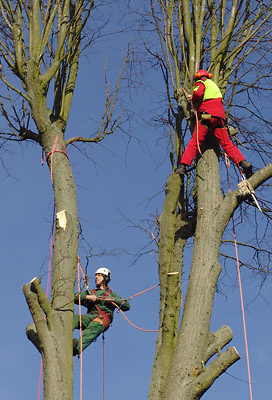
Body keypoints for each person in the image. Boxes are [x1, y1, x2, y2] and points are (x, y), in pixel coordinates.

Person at [176, 70, 253, 178]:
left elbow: (198, 93)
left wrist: (193, 98)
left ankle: (182, 166)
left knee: (195, 141)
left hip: (207, 116)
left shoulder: (201, 82)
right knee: (227, 143)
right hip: (220, 118)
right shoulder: (213, 85)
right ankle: (243, 163)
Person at [73, 267, 130, 356]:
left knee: (95, 325)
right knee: (73, 318)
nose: (96, 277)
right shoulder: (90, 292)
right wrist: (88, 297)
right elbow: (73, 297)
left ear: (105, 278)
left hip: (102, 319)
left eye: (99, 275)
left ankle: (77, 348)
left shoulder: (111, 294)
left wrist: (111, 299)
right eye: (96, 275)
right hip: (89, 317)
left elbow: (126, 306)